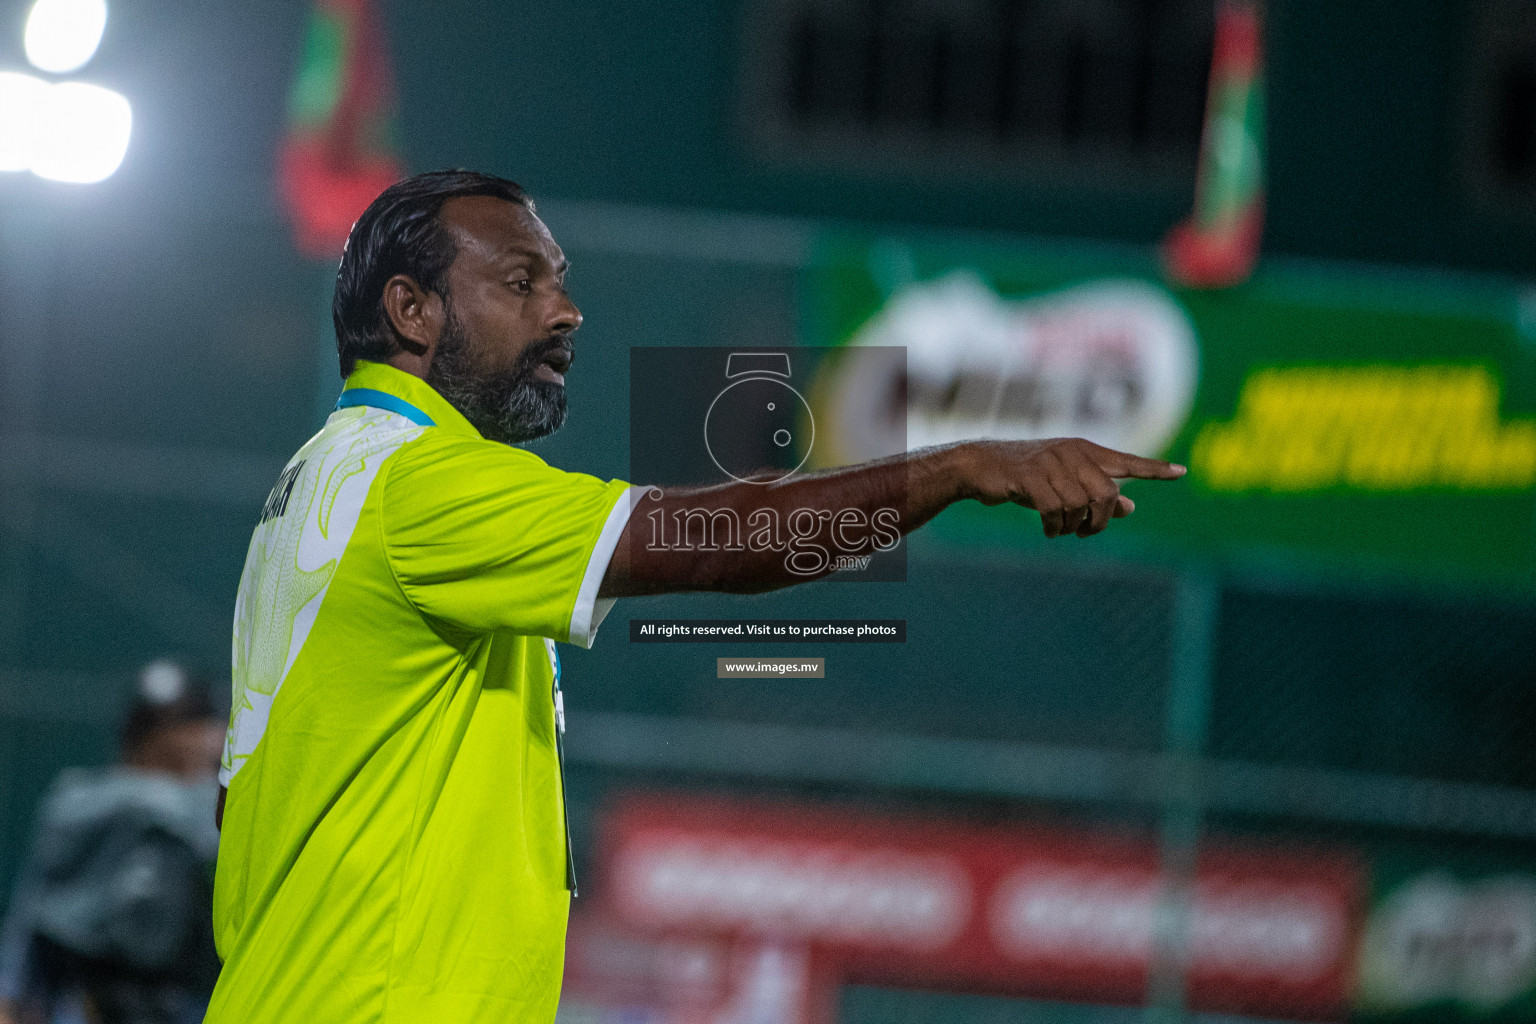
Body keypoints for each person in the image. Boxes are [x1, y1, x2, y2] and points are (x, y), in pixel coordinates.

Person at [207, 169, 1185, 1024]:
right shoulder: (421, 485)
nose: (564, 310)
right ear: (413, 311)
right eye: (520, 281)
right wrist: (970, 461)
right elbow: (732, 541)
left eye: (560, 279)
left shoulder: (325, 479)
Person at [0, 661, 224, 1024]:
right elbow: (26, 934)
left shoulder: (214, 816)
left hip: (186, 1004)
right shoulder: (81, 807)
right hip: (86, 1004)